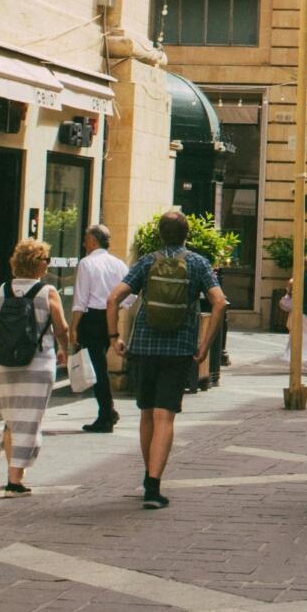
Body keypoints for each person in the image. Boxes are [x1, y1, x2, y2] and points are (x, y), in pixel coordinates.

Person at [104, 210, 226, 511]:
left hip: (144, 346)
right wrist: (205, 344)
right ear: (187, 235)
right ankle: (155, 486)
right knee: (165, 416)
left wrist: (113, 337)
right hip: (179, 348)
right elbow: (219, 302)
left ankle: (148, 477)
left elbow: (113, 299)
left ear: (160, 234)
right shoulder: (197, 263)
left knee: (146, 413)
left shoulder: (147, 261)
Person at [0, 239, 76, 495]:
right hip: (38, 363)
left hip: (6, 364)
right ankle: (15, 479)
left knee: (13, 419)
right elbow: (62, 328)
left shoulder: (2, 291)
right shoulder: (47, 292)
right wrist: (64, 351)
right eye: (46, 260)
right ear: (39, 264)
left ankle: (13, 474)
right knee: (31, 420)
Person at [71, 223, 125, 433]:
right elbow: (130, 294)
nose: (84, 243)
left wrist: (73, 327)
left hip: (92, 318)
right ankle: (107, 411)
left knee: (97, 369)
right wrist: (118, 307)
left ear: (93, 240)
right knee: (99, 365)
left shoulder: (87, 263)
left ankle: (106, 413)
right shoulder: (118, 264)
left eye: (86, 239)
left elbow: (80, 299)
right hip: (110, 317)